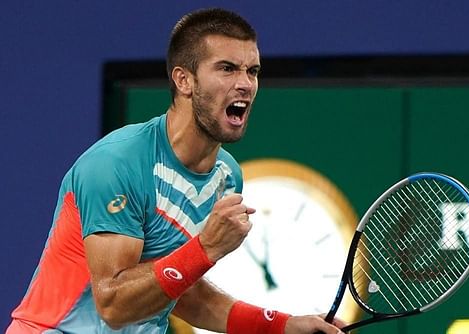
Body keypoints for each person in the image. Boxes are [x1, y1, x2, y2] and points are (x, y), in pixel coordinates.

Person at [7, 8, 345, 334]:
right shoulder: (116, 163)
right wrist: (206, 248)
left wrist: (283, 325)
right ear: (184, 80)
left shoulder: (226, 176)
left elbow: (183, 293)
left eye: (252, 71)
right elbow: (113, 305)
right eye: (227, 68)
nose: (245, 84)